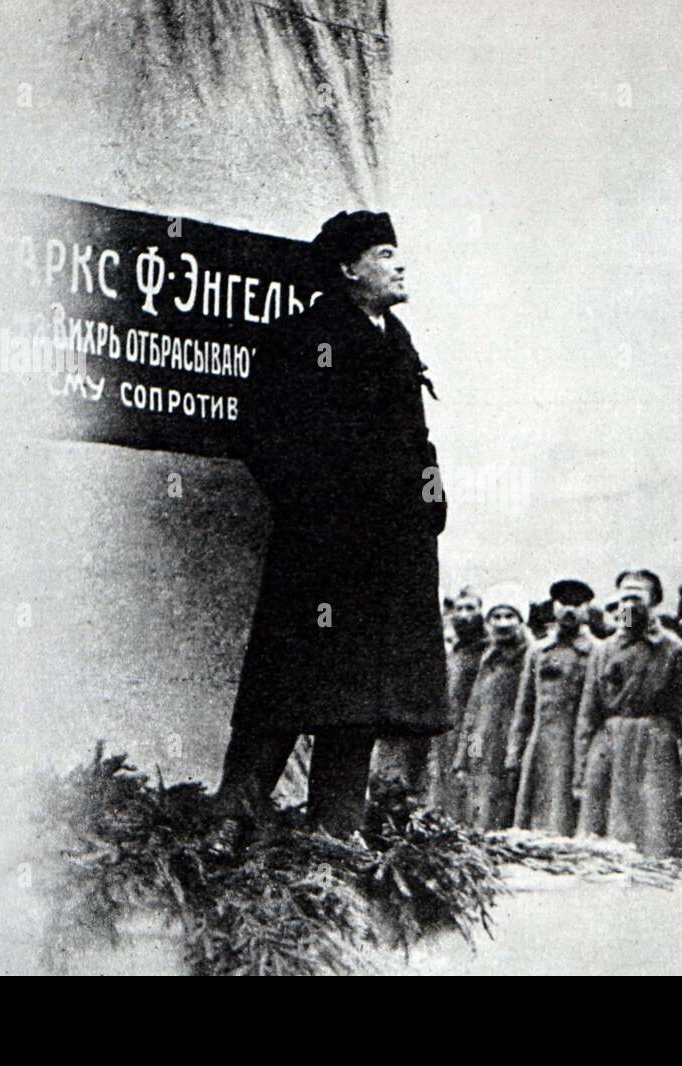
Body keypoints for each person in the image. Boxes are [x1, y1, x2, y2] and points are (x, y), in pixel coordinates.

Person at [211, 210, 449, 853]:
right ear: (348, 268)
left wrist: (432, 504)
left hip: (389, 555)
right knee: (286, 683)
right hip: (323, 552)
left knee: (360, 697)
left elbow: (418, 443)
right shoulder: (302, 336)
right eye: (383, 253)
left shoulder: (396, 341)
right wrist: (316, 507)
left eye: (398, 252)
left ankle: (335, 833)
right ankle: (230, 823)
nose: (400, 264)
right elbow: (261, 432)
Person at [574, 569, 682, 858]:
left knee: (653, 835)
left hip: (654, 750)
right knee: (599, 839)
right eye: (623, 597)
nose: (628, 605)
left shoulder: (675, 651)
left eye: (637, 597)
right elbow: (587, 716)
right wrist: (581, 774)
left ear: (654, 602)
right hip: (608, 750)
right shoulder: (603, 651)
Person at [506, 578, 596, 836]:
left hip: (577, 744)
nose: (570, 610)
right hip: (541, 744)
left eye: (577, 604)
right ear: (554, 606)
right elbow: (524, 708)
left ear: (587, 609)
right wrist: (514, 753)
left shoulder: (596, 652)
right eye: (564, 603)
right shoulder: (539, 651)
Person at [452, 585, 529, 831]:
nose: (503, 623)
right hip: (481, 745)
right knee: (476, 810)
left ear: (520, 621)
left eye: (509, 616)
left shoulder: (528, 656)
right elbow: (474, 711)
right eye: (496, 617)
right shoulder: (488, 659)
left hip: (509, 748)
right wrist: (466, 757)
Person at [427, 585, 487, 819]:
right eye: (459, 609)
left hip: (474, 729)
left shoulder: (486, 651)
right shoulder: (456, 652)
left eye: (470, 608)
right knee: (445, 776)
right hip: (450, 727)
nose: (464, 615)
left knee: (471, 769)